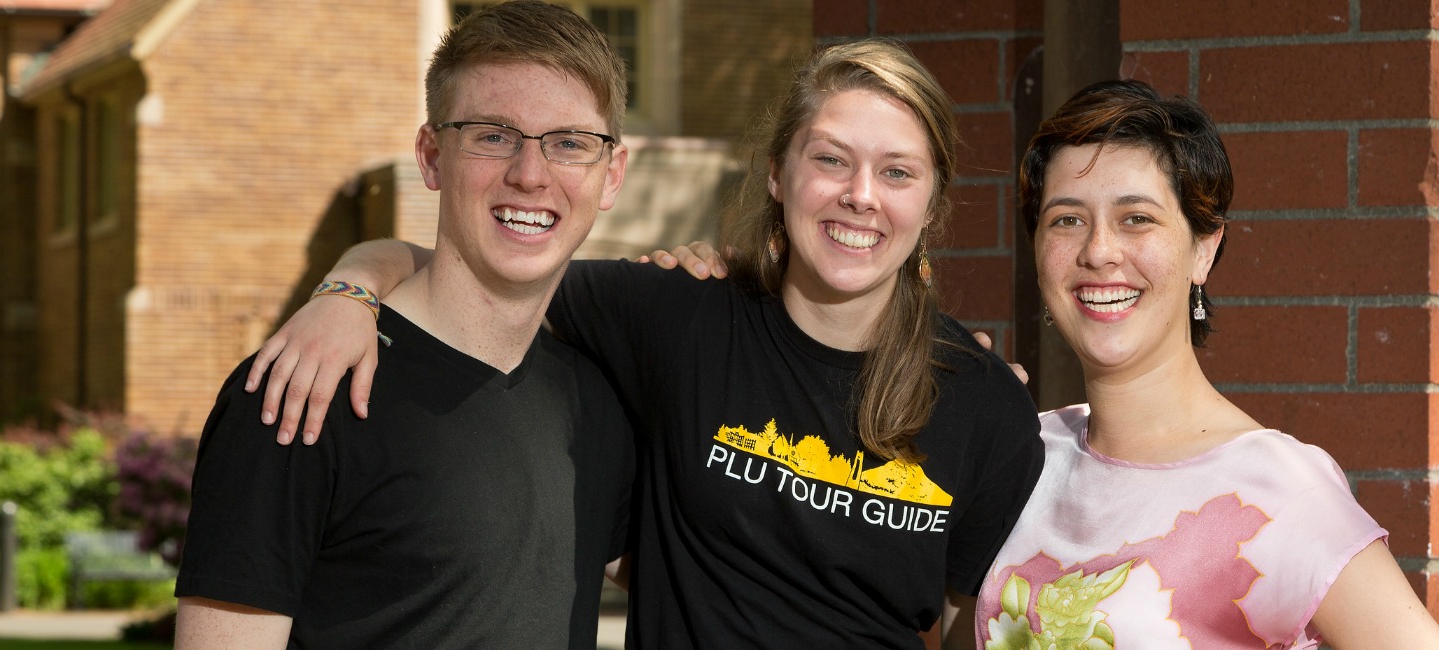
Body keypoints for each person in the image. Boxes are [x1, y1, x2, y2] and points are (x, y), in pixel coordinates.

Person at [244, 38, 1045, 648]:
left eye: (898, 173)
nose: (860, 197)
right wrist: (350, 287)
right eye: (830, 160)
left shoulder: (985, 403)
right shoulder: (676, 314)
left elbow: (957, 625)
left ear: (935, 199)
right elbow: (482, 275)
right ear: (777, 174)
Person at [172, 3, 636, 648]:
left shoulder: (593, 405)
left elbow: (730, 574)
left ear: (610, 175)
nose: (530, 175)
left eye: (569, 143)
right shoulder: (305, 389)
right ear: (431, 156)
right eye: (492, 135)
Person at [967, 79, 1439, 649]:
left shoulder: (1278, 489)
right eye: (1067, 220)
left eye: (1137, 219)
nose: (1098, 250)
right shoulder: (1025, 456)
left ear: (1204, 247)